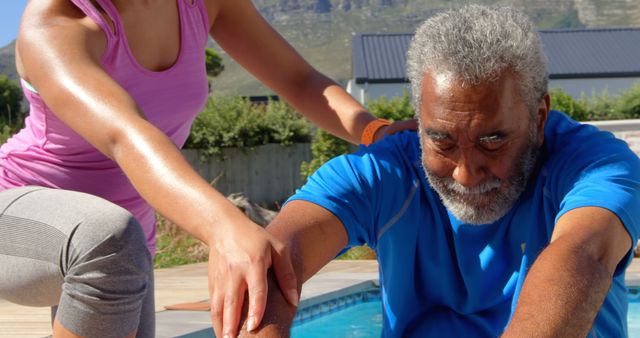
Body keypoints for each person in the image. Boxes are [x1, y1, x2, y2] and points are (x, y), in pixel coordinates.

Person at [0, 0, 414, 337]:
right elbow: (125, 136)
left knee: (113, 238)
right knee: (106, 236)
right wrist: (223, 226)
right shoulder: (55, 22)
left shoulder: (199, 5)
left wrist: (375, 131)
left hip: (124, 243)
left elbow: (298, 78)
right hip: (21, 212)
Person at [234, 5, 640, 338]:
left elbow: (581, 255)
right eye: (442, 142)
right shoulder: (386, 170)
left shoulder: (596, 166)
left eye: (492, 140)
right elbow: (277, 258)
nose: (465, 174)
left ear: (538, 117)